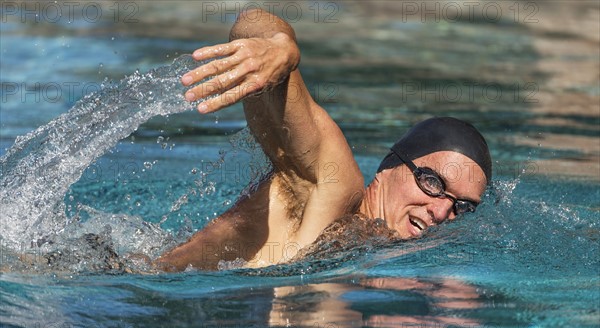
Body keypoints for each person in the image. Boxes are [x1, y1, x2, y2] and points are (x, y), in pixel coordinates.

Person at [155, 9, 491, 271]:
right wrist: (281, 48)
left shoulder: (371, 248)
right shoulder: (335, 187)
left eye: (462, 206)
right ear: (390, 166)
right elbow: (251, 20)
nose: (441, 210)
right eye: (431, 181)